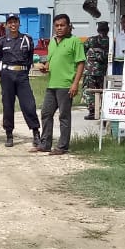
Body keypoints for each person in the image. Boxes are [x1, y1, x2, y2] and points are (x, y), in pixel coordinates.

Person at [33, 14, 86, 155]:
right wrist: (45, 67)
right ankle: (45, 144)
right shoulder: (52, 42)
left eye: (62, 25)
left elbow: (81, 63)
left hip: (66, 85)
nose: (59, 28)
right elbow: (51, 60)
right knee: (46, 113)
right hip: (52, 84)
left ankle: (62, 146)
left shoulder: (75, 41)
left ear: (69, 26)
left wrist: (75, 84)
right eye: (56, 26)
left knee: (64, 116)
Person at [0, 13, 40, 148]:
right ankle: (9, 134)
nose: (13, 25)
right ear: (6, 25)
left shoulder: (26, 39)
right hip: (7, 76)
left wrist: (24, 72)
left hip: (22, 76)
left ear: (19, 23)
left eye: (15, 22)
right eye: (10, 22)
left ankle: (36, 133)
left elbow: (30, 58)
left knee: (29, 104)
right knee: (8, 105)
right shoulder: (1, 41)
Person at [83, 21, 110, 120]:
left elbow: (83, 51)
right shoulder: (110, 41)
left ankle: (92, 112)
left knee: (90, 91)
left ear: (98, 30)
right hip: (103, 71)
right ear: (107, 30)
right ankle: (103, 111)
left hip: (90, 71)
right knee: (103, 90)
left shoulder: (91, 40)